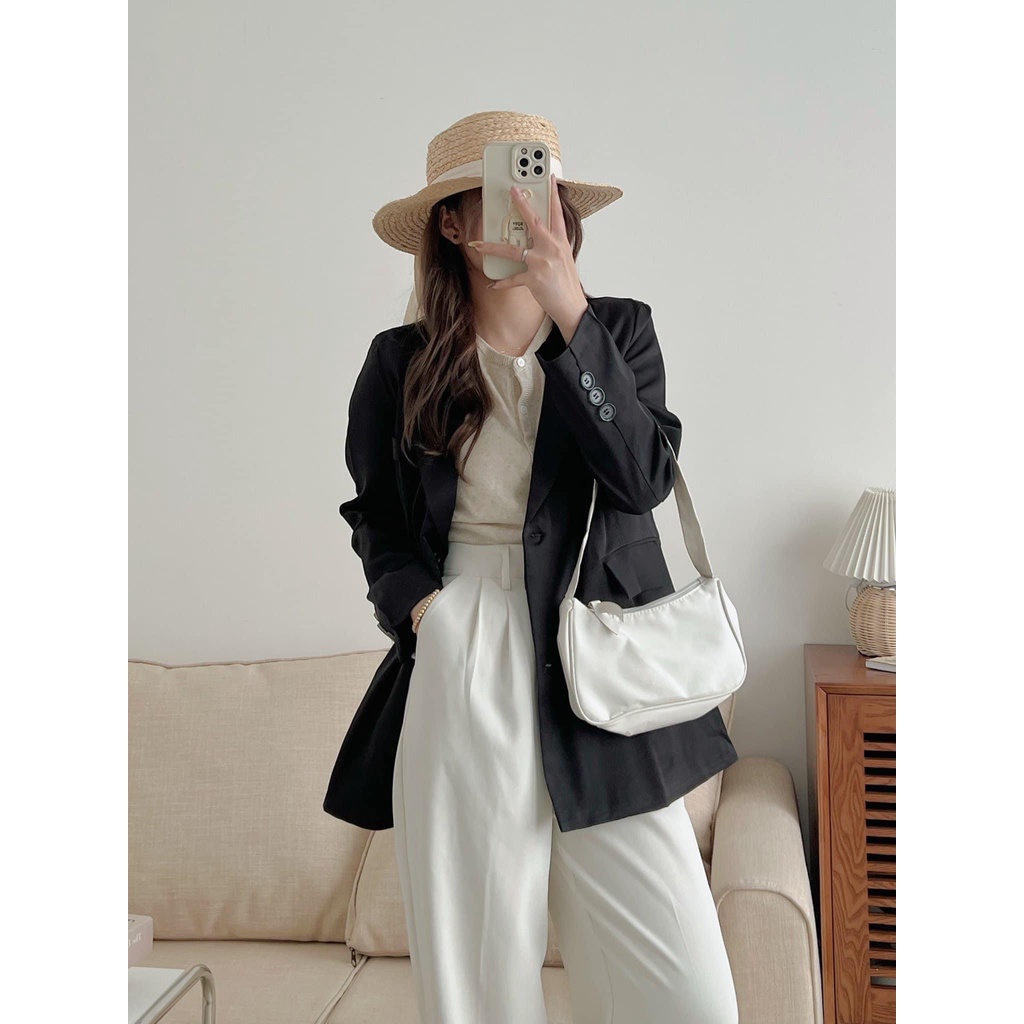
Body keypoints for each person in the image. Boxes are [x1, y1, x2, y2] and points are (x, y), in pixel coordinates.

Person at [329, 110, 740, 1024]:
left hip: (598, 653)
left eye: (542, 189)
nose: (528, 208)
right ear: (451, 222)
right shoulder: (399, 363)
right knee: (480, 983)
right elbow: (376, 518)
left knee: (690, 997)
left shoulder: (618, 332)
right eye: (505, 190)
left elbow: (642, 480)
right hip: (462, 646)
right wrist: (426, 615)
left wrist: (570, 313)